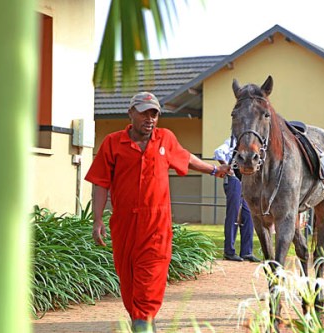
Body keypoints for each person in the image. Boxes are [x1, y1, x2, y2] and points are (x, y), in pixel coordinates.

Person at [85, 92, 230, 333]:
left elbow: (187, 157)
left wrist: (214, 170)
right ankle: (141, 321)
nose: (150, 119)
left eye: (154, 114)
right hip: (124, 225)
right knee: (129, 281)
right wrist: (97, 220)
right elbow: (101, 182)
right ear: (131, 113)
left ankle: (143, 323)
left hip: (156, 225)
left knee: (151, 276)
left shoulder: (165, 139)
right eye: (144, 113)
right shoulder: (112, 143)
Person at [214, 137, 261, 263]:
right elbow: (218, 152)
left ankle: (247, 252)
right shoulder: (232, 142)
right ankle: (229, 251)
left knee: (248, 214)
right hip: (234, 180)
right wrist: (227, 168)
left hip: (246, 181)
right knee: (233, 214)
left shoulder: (249, 143)